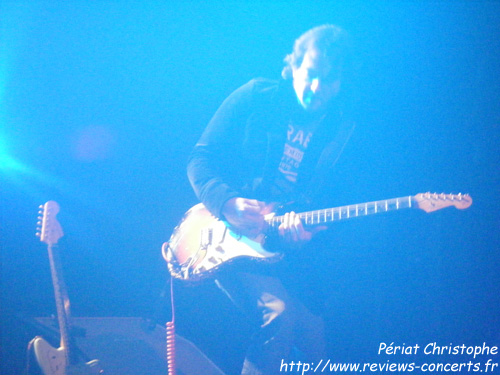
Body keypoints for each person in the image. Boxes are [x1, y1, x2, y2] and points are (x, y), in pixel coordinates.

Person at [187, 24, 356, 375]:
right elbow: (199, 161)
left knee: (316, 339)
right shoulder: (255, 97)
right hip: (225, 236)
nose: (316, 88)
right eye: (310, 74)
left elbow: (335, 205)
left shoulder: (342, 131)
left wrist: (311, 232)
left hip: (282, 247)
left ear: (341, 83)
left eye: (328, 80)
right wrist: (228, 203)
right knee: (278, 314)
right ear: (293, 64)